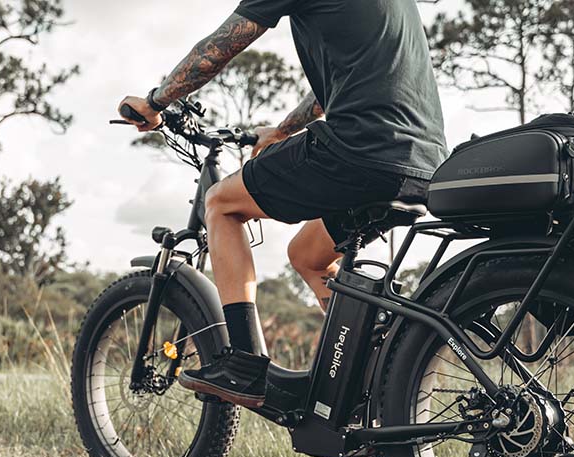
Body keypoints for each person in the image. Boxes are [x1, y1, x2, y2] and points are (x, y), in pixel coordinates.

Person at [118, 0, 447, 408]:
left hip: (357, 149)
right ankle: (374, 380)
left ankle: (244, 365)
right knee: (308, 255)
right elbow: (339, 86)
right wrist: (281, 131)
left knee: (221, 203)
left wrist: (157, 100)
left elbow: (220, 46)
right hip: (423, 164)